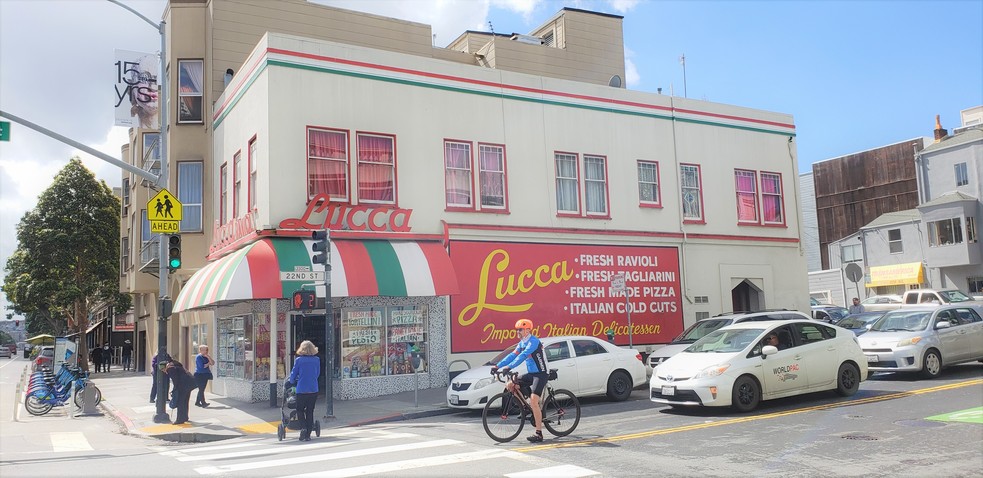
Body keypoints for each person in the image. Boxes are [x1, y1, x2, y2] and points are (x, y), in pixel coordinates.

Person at [492, 319, 548, 443]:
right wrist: (498, 366)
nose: (518, 332)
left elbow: (522, 356)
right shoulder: (522, 342)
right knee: (510, 385)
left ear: (527, 330)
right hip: (531, 374)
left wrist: (509, 367)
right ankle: (525, 408)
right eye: (517, 329)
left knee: (534, 401)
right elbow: (513, 354)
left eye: (520, 329)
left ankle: (539, 433)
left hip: (541, 374)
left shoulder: (533, 341)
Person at [288, 340, 321, 442]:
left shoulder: (299, 360)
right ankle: (308, 434)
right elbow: (317, 373)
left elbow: (293, 374)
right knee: (310, 411)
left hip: (301, 389)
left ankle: (303, 428)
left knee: (300, 410)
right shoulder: (317, 360)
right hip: (313, 389)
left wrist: (292, 381)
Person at [164, 360, 196, 425]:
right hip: (189, 384)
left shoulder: (170, 369)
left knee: (180, 402)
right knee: (185, 401)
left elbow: (176, 381)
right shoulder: (177, 366)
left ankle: (180, 419)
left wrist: (174, 391)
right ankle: (185, 417)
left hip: (183, 386)